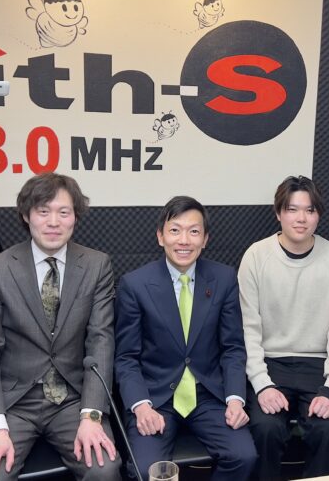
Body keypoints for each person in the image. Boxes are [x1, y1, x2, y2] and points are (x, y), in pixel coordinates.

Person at [0, 173, 121, 481]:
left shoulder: (96, 265)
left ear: (75, 217)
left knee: (104, 470)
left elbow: (100, 341)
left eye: (63, 212)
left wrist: (92, 415)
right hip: (12, 402)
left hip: (72, 400)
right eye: (43, 211)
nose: (53, 222)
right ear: (26, 215)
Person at [114, 196, 257, 481]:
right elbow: (126, 358)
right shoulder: (135, 284)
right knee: (145, 470)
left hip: (208, 395)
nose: (184, 240)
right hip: (156, 398)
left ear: (205, 239)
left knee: (244, 456)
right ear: (160, 236)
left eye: (194, 231)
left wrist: (235, 399)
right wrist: (141, 406)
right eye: (175, 230)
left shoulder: (224, 279)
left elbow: (232, 348)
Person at [238, 176, 329, 480]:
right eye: (292, 209)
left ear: (318, 215)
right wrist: (261, 384)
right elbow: (248, 327)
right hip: (270, 363)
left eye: (310, 210)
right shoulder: (256, 256)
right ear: (278, 213)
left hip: (319, 365)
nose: (301, 218)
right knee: (265, 428)